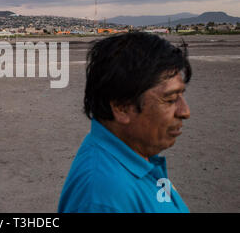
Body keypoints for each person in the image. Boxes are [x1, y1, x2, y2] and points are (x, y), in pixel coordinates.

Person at [58, 32, 191, 213]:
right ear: (121, 107)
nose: (185, 112)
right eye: (170, 99)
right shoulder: (103, 198)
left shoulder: (137, 156)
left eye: (181, 95)